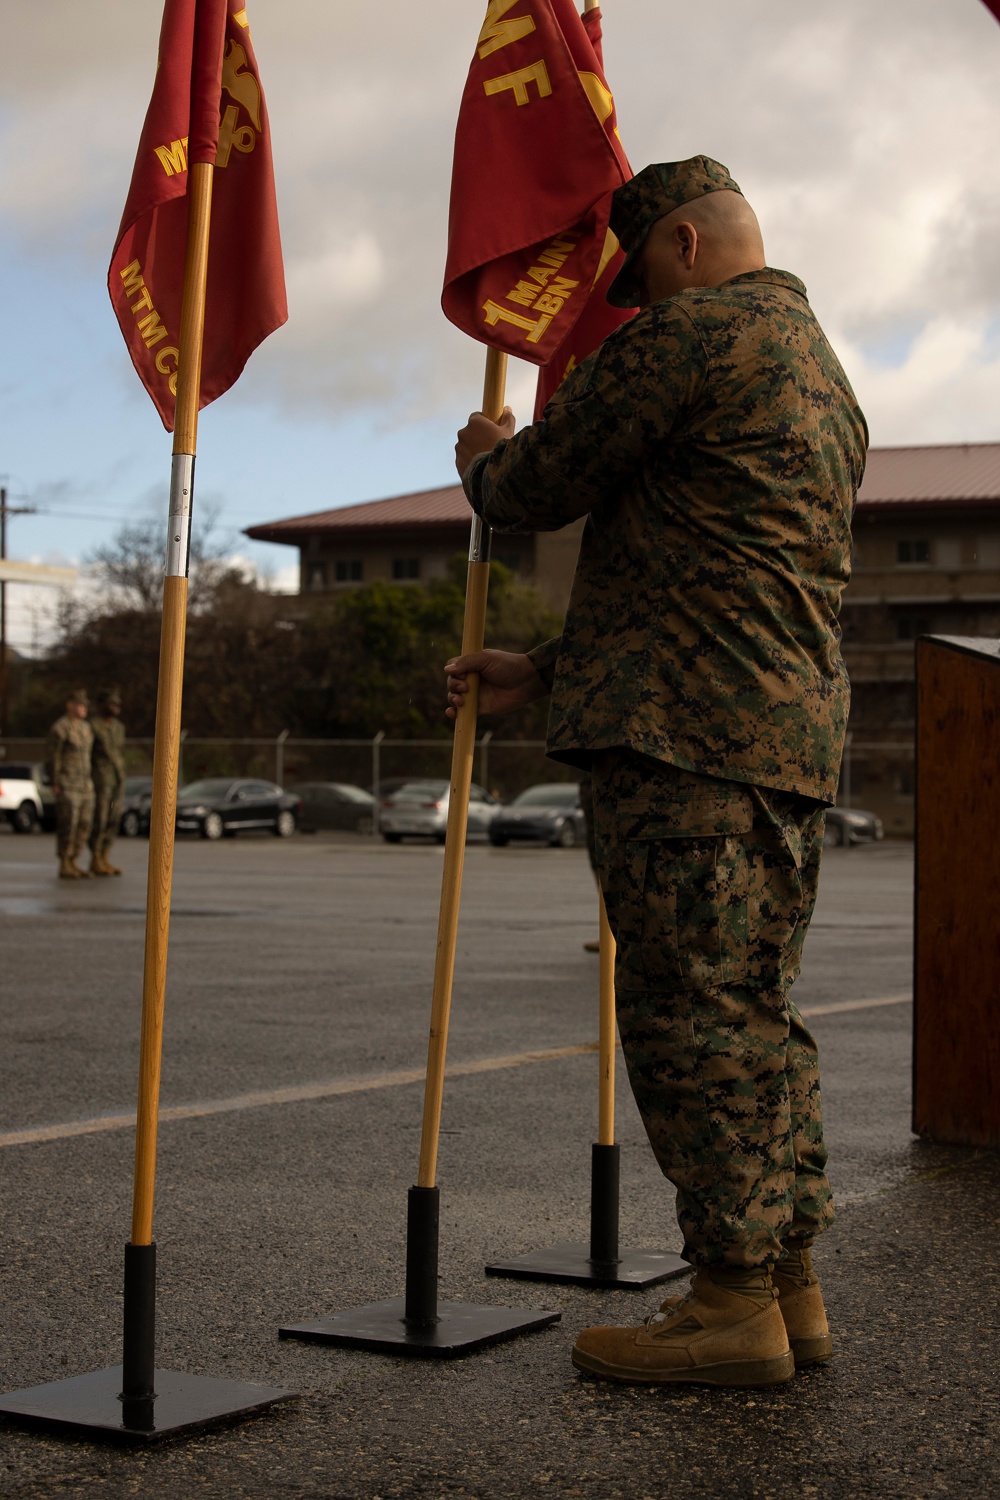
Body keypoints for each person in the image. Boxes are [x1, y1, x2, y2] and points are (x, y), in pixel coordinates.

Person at [446, 157, 868, 1388]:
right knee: (757, 1016)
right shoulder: (820, 372)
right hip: (777, 740)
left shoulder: (692, 336)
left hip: (681, 746)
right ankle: (787, 1281)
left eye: (643, 280)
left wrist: (486, 455)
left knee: (693, 1020)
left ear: (682, 243)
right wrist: (550, 663)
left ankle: (729, 1301)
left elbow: (540, 485)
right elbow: (723, 574)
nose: (634, 306)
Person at [47, 688, 95, 880]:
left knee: (84, 823)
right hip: (68, 783)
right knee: (69, 824)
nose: (84, 708)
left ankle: (75, 860)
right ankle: (64, 862)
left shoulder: (86, 728)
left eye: (85, 705)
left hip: (85, 785)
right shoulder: (60, 728)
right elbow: (53, 757)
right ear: (70, 705)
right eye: (80, 704)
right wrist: (55, 781)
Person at [88, 687, 127, 876]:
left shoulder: (119, 728)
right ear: (102, 705)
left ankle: (105, 856)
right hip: (100, 778)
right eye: (111, 703)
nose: (115, 707)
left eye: (117, 704)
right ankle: (95, 857)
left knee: (113, 818)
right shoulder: (93, 726)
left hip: (117, 778)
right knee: (100, 818)